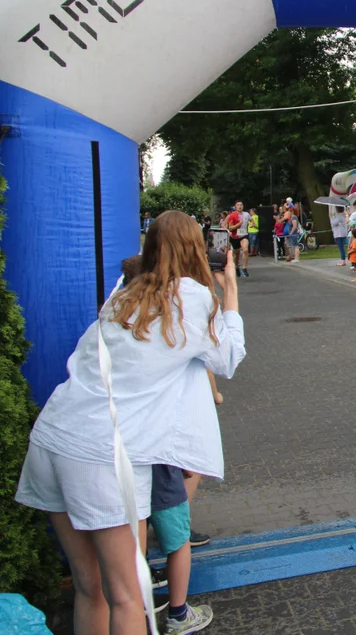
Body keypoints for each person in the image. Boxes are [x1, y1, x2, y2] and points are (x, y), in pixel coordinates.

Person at [15, 212, 244, 633]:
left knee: (91, 588)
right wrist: (228, 292)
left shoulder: (123, 295)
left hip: (54, 439)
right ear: (197, 249)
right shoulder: (192, 298)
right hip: (104, 457)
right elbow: (227, 357)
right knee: (127, 597)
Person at [148, 465, 213, 633]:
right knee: (179, 542)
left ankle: (137, 601)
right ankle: (179, 616)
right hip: (160, 473)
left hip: (120, 475)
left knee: (134, 544)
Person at [225, 201, 250, 277]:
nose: (240, 206)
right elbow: (230, 228)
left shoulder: (247, 214)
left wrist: (252, 223)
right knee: (236, 255)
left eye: (241, 205)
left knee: (245, 250)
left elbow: (251, 220)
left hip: (244, 235)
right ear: (235, 207)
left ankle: (244, 268)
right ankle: (236, 267)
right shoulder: (232, 215)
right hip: (234, 236)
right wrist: (239, 224)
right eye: (238, 205)